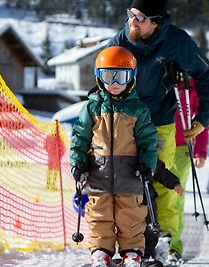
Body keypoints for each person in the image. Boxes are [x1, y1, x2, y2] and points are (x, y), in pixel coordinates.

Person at [108, 1, 209, 260]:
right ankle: (122, 243)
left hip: (160, 122)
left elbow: (205, 75)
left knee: (163, 181)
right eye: (131, 15)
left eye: (140, 17)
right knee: (122, 182)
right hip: (125, 122)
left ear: (155, 22)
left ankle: (166, 241)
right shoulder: (119, 41)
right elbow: (102, 81)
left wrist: (202, 119)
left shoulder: (176, 41)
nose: (132, 21)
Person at [69, 46, 158, 267]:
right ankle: (101, 252)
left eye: (122, 76)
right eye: (109, 76)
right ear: (100, 77)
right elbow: (79, 137)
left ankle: (132, 252)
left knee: (131, 216)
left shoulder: (138, 109)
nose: (115, 82)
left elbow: (148, 141)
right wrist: (77, 162)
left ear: (132, 78)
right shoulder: (92, 107)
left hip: (130, 173)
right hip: (98, 173)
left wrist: (147, 165)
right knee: (99, 214)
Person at [166, 79, 209, 265]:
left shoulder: (192, 85)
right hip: (159, 146)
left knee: (175, 197)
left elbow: (202, 119)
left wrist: (200, 151)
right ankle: (155, 241)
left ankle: (173, 247)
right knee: (157, 197)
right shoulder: (161, 79)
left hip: (182, 149)